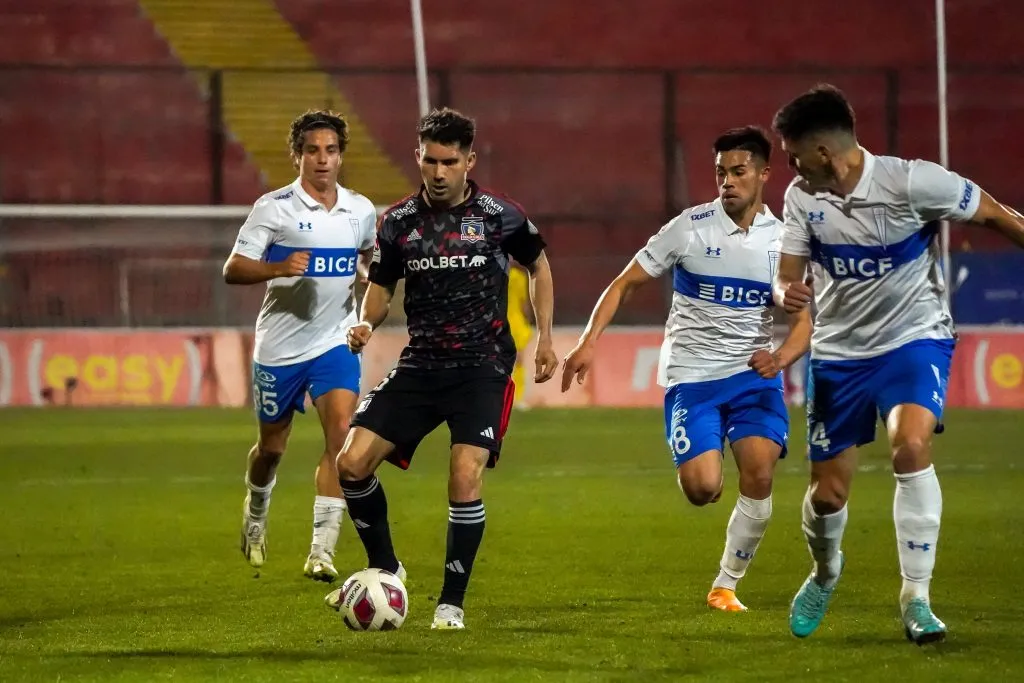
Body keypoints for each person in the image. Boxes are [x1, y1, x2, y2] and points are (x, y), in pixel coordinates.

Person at [771, 84, 1024, 644]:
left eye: (792, 154)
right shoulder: (801, 197)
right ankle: (824, 572)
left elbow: (997, 215)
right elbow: (787, 270)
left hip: (916, 337)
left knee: (910, 446)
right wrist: (785, 289)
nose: (788, 167)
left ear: (821, 152)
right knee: (829, 494)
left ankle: (916, 597)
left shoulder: (912, 181)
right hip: (838, 354)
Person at [323, 107, 558, 630]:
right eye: (429, 160)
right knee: (351, 463)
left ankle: (451, 603)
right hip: (421, 365)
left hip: (481, 367)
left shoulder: (501, 215)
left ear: (469, 160)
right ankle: (387, 568)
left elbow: (538, 264)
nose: (437, 171)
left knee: (464, 476)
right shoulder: (398, 222)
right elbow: (381, 289)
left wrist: (544, 337)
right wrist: (365, 322)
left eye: (449, 161)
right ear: (417, 157)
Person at [562, 126, 812, 612]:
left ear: (764, 173)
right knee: (702, 489)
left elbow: (802, 321)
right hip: (692, 377)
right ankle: (708, 473)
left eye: (738, 172)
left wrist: (780, 358)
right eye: (720, 172)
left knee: (759, 473)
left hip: (752, 376)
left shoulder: (784, 242)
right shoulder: (689, 228)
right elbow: (624, 283)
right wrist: (590, 340)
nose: (727, 182)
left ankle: (726, 584)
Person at [223, 110, 377, 583]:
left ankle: (321, 551)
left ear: (341, 156)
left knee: (341, 435)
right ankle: (256, 508)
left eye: (330, 150)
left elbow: (369, 261)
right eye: (312, 150)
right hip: (280, 349)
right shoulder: (274, 208)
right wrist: (277, 267)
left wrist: (365, 313)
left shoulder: (361, 211)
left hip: (335, 342)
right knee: (272, 448)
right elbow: (233, 268)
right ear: (298, 156)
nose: (322, 159)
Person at [507, 264, 535, 408]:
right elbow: (524, 304)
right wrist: (529, 319)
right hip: (516, 323)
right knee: (519, 360)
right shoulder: (519, 276)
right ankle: (517, 398)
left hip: (497, 321)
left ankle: (509, 397)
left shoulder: (493, 273)